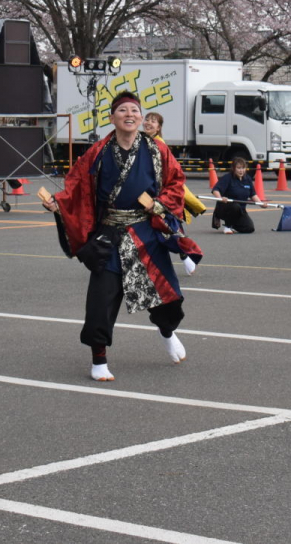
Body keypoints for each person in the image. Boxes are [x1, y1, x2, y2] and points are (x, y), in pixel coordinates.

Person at [44, 92, 201, 382]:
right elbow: (76, 186)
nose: (130, 115)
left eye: (134, 111)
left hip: (145, 233)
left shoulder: (157, 150)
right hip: (110, 234)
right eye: (123, 111)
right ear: (112, 117)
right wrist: (59, 204)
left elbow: (176, 183)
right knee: (101, 299)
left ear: (141, 117)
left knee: (165, 295)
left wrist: (158, 204)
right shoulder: (98, 152)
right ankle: (99, 359)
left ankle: (167, 333)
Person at [142, 111, 206, 222]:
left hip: (158, 190)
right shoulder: (143, 141)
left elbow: (171, 172)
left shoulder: (159, 144)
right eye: (147, 120)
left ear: (158, 128)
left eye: (153, 121)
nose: (148, 123)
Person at [211, 156, 265, 234]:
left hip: (241, 210)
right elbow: (215, 190)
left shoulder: (247, 179)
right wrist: (220, 198)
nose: (241, 170)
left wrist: (261, 204)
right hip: (225, 208)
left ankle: (233, 225)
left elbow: (253, 194)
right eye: (239, 168)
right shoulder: (227, 178)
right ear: (233, 168)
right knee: (235, 206)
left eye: (243, 168)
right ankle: (227, 226)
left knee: (249, 228)